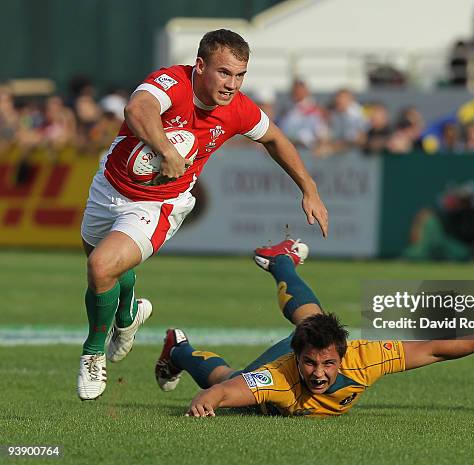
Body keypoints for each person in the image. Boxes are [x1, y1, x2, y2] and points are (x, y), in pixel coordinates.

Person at [77, 29, 329, 401]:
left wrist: (309, 188)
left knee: (100, 267)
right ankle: (127, 313)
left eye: (240, 75)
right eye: (225, 72)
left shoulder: (238, 108)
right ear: (200, 66)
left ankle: (92, 354)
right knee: (107, 271)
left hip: (159, 203)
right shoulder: (173, 82)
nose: (232, 84)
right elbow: (138, 109)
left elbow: (275, 138)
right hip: (109, 186)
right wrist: (164, 148)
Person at [154, 238, 474, 418]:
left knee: (313, 323)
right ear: (298, 357)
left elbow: (434, 348)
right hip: (275, 374)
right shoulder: (281, 376)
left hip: (316, 345)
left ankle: (180, 347)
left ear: (343, 355)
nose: (320, 374)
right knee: (234, 380)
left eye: (327, 363)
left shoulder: (365, 357)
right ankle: (180, 350)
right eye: (311, 364)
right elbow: (224, 391)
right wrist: (206, 400)